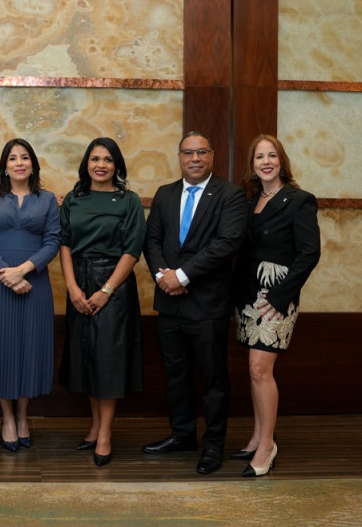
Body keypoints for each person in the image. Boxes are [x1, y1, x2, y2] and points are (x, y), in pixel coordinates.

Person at [142, 130, 248, 475]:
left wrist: (182, 276)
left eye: (202, 152)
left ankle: (213, 444)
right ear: (180, 157)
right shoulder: (165, 194)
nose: (195, 158)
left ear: (213, 155)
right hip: (170, 304)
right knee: (176, 376)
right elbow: (152, 240)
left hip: (208, 305)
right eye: (188, 153)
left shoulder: (230, 195)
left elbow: (226, 243)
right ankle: (183, 435)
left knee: (213, 379)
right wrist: (163, 277)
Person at [231, 134, 321, 477]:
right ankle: (257, 435)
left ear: (281, 160)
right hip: (248, 294)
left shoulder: (300, 200)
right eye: (259, 157)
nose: (266, 162)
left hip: (277, 295)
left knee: (259, 369)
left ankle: (267, 445)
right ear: (252, 166)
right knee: (255, 370)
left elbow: (309, 253)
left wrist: (281, 296)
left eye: (271, 156)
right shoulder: (251, 200)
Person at [58, 137, 146, 467]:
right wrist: (72, 286)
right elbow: (64, 243)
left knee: (109, 360)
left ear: (117, 166)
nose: (101, 165)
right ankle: (94, 425)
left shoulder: (129, 200)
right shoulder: (73, 199)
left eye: (108, 160)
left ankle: (106, 433)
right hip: (78, 282)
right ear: (86, 163)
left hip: (115, 286)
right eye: (95, 159)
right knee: (87, 357)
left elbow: (132, 249)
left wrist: (106, 290)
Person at [0, 138, 61, 452]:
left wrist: (23, 270)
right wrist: (6, 275)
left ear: (33, 164)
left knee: (28, 349)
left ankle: (24, 416)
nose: (19, 162)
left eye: (25, 157)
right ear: (5, 166)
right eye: (13, 158)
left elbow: (53, 242)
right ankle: (7, 417)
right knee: (0, 348)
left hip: (34, 284)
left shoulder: (48, 200)